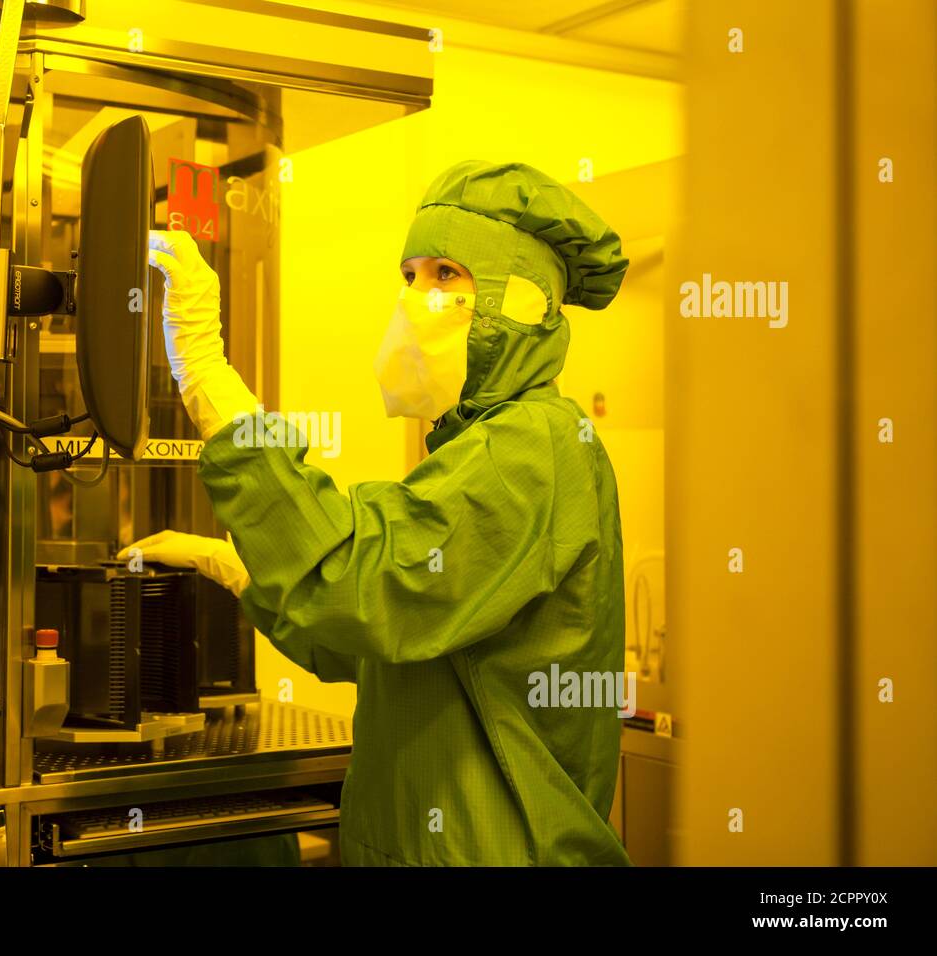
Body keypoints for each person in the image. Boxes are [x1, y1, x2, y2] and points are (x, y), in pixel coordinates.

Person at [122, 161, 631, 866]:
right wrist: (240, 568)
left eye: (448, 273)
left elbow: (359, 585)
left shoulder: (534, 445)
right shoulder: (468, 449)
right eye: (411, 275)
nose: (419, 296)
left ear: (523, 304)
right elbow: (377, 643)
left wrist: (206, 371)